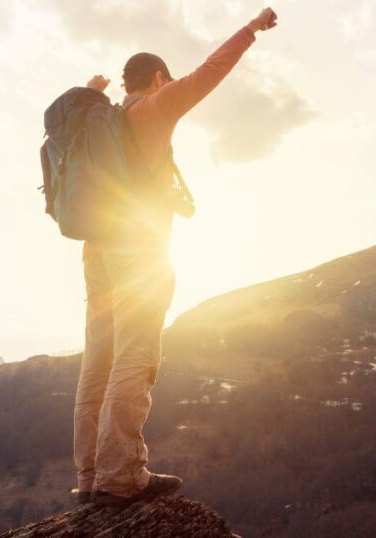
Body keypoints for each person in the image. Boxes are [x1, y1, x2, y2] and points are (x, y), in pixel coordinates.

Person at [72, 7, 279, 507]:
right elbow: (211, 71)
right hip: (138, 250)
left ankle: (89, 476)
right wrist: (250, 30)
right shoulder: (153, 108)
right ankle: (121, 477)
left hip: (94, 251)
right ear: (158, 78)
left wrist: (91, 92)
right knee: (135, 357)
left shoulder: (98, 119)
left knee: (96, 364)